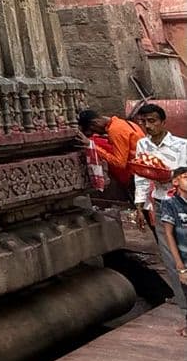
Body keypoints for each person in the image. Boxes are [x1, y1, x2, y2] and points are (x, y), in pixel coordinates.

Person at [133, 105, 187, 317]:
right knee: (171, 257)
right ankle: (184, 306)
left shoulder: (181, 145)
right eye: (144, 121)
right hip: (160, 202)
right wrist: (139, 206)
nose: (148, 126)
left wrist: (169, 176)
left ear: (163, 122)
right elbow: (141, 176)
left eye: (152, 121)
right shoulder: (142, 144)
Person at [77, 108, 170, 188]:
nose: (95, 133)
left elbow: (119, 163)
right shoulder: (123, 123)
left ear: (95, 123)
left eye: (93, 131)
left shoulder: (115, 130)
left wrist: (92, 146)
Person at [156, 166, 187, 337]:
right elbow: (169, 234)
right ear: (175, 182)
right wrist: (180, 266)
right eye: (185, 177)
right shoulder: (170, 204)